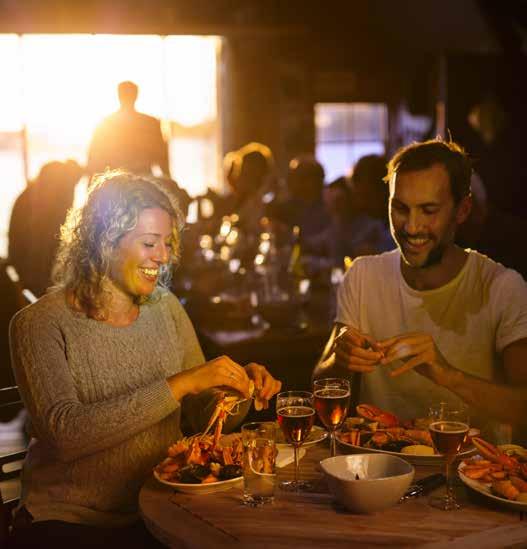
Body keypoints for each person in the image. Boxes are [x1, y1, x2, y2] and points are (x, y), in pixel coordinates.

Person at [8, 171, 281, 548]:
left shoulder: (165, 308)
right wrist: (183, 383)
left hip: (160, 509)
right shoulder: (38, 323)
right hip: (70, 522)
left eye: (168, 244)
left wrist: (237, 390)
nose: (164, 257)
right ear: (104, 240)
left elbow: (204, 417)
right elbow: (65, 435)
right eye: (151, 243)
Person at [313, 139, 527, 440]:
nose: (412, 227)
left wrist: (447, 375)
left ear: (462, 210)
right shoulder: (363, 275)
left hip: (467, 473)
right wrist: (340, 358)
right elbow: (321, 386)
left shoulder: (503, 286)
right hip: (376, 469)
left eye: (428, 210)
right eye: (400, 208)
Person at [8, 160, 82, 297]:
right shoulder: (54, 196)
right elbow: (48, 243)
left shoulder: (30, 194)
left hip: (19, 265)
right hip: (30, 274)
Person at [87, 81, 170, 177]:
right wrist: (169, 182)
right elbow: (162, 159)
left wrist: (91, 186)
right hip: (143, 182)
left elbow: (94, 160)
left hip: (114, 182)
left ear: (118, 96)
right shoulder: (151, 123)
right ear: (136, 96)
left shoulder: (105, 124)